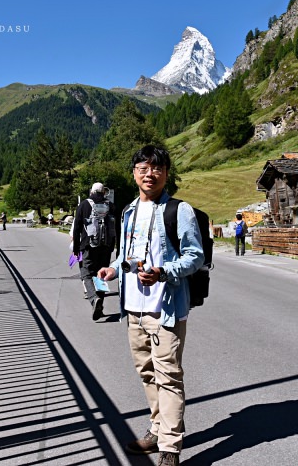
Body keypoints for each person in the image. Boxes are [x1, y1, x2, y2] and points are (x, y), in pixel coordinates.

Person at [97, 145, 204, 466]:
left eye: (156, 168)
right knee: (146, 373)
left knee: (168, 376)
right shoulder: (128, 211)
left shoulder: (178, 210)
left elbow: (195, 256)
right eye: (143, 168)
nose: (149, 174)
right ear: (134, 173)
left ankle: (170, 447)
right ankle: (158, 429)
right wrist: (114, 269)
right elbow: (125, 254)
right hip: (133, 308)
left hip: (166, 307)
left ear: (166, 174)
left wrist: (163, 272)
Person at [72, 182, 115, 320]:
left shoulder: (84, 204)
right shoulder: (110, 205)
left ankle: (93, 299)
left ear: (91, 191)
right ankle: (100, 306)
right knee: (101, 274)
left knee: (86, 274)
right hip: (107, 246)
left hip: (88, 245)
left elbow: (77, 227)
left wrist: (76, 248)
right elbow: (117, 227)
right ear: (104, 192)